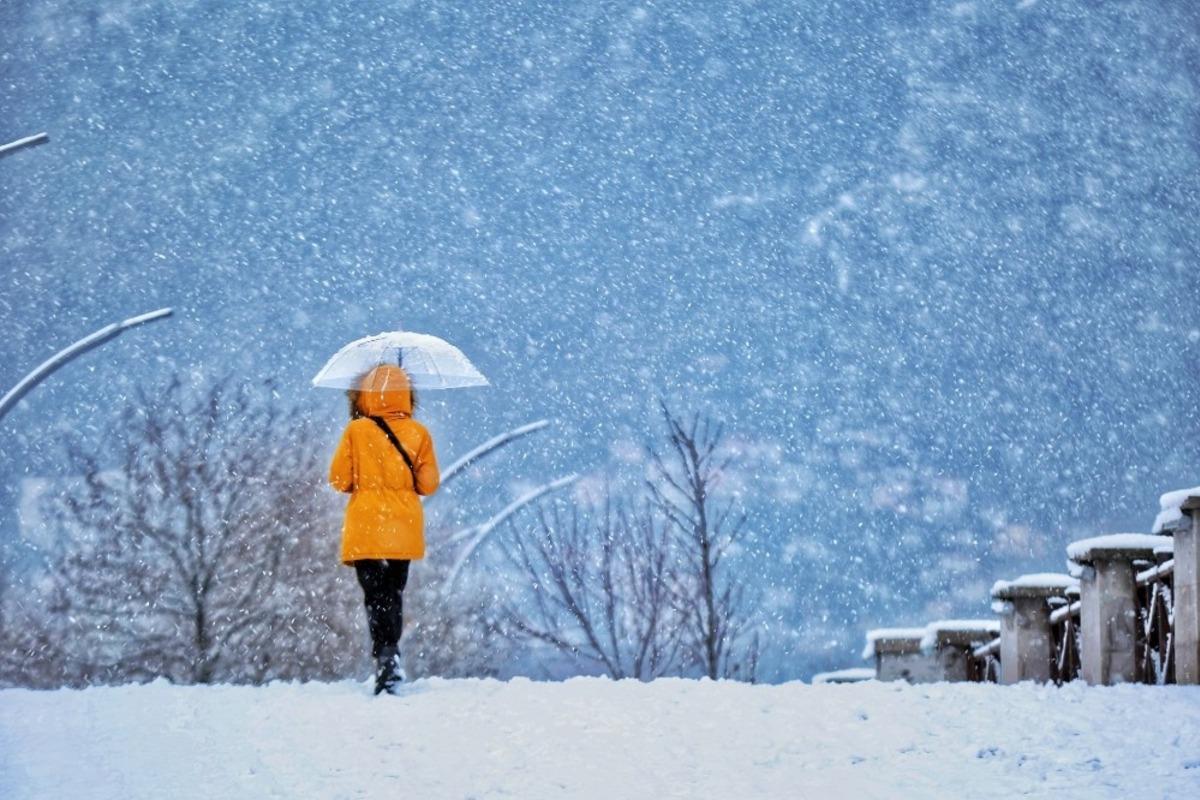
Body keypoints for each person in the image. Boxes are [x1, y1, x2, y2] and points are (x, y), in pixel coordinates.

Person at [329, 364, 440, 694]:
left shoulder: (357, 431)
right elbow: (428, 484)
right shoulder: (418, 433)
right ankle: (390, 655)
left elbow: (338, 480)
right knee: (393, 593)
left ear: (364, 395)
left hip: (366, 526)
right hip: (402, 526)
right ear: (407, 396)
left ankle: (385, 656)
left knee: (375, 595)